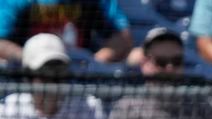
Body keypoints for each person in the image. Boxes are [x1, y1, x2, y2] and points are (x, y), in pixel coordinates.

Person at [108, 27, 212, 119]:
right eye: (161, 62)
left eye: (176, 62)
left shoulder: (203, 107)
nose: (170, 68)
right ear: (144, 64)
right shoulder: (127, 109)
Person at [0, 33, 108, 119]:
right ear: (28, 76)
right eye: (45, 74)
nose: (53, 82)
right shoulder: (9, 110)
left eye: (59, 73)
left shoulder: (89, 109)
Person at [0, 0, 131, 64]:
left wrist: (94, 61)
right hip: (29, 77)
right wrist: (33, 61)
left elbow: (122, 38)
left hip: (79, 78)